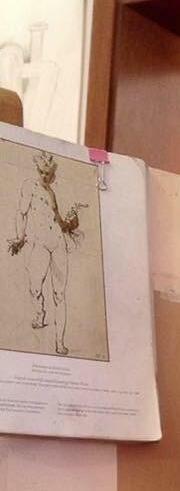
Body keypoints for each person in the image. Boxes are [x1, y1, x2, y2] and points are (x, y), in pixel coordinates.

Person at [8, 150, 82, 356]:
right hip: (38, 243)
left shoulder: (63, 189)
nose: (44, 176)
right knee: (35, 287)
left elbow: (73, 220)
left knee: (60, 294)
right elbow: (21, 213)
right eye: (41, 172)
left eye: (48, 173)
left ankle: (59, 343)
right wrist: (20, 237)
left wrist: (69, 223)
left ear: (54, 172)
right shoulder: (29, 186)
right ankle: (40, 314)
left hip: (57, 243)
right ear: (37, 169)